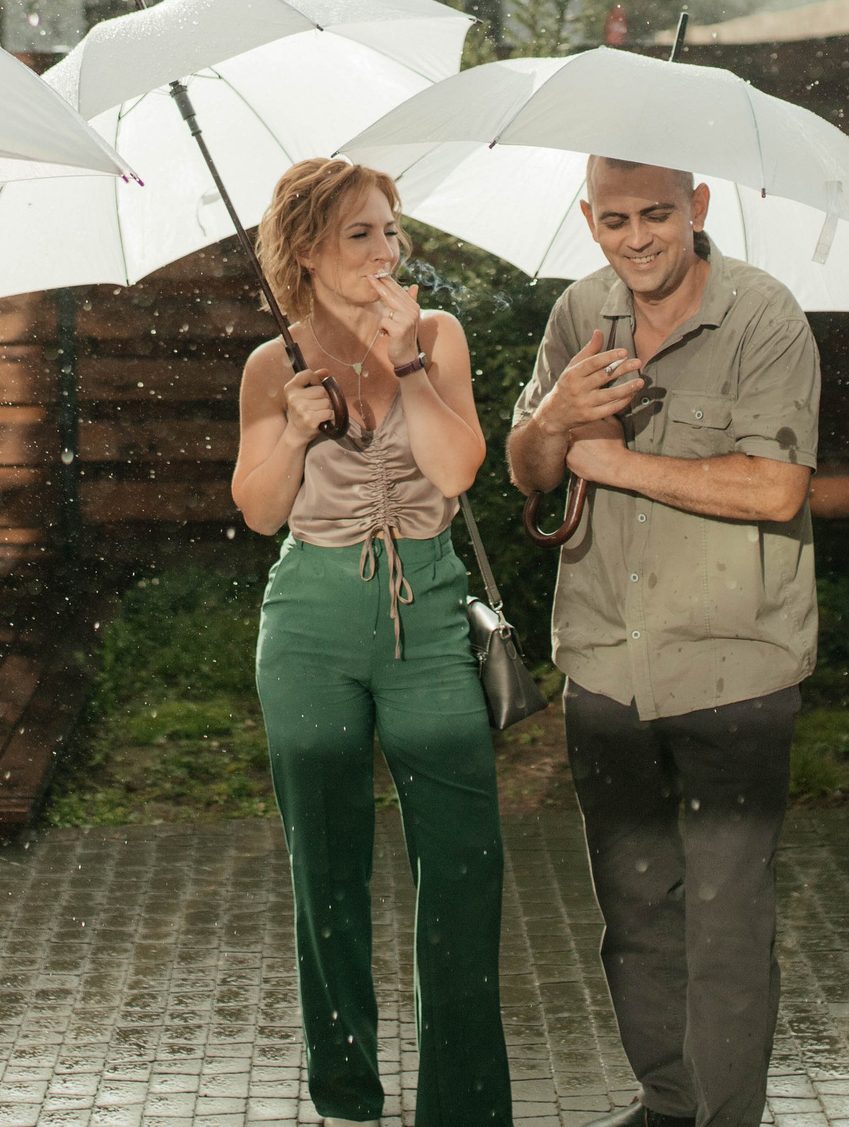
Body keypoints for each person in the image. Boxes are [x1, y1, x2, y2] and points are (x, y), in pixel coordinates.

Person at [506, 158, 819, 1127]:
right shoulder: (577, 314)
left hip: (732, 664)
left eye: (654, 215)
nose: (634, 238)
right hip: (604, 659)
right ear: (586, 218)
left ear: (698, 208)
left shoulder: (765, 318)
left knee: (725, 920)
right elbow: (526, 472)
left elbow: (776, 490)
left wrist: (618, 462)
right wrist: (555, 420)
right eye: (612, 219)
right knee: (635, 912)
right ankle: (668, 1101)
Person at [231, 156, 510, 1127]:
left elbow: (461, 467)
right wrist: (293, 434)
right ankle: (345, 1092)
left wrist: (408, 369)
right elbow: (261, 513)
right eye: (361, 234)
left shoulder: (436, 334)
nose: (388, 251)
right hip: (310, 616)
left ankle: (466, 1109)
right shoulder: (273, 364)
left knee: (466, 867)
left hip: (429, 611)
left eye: (391, 231)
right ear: (306, 249)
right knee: (326, 864)